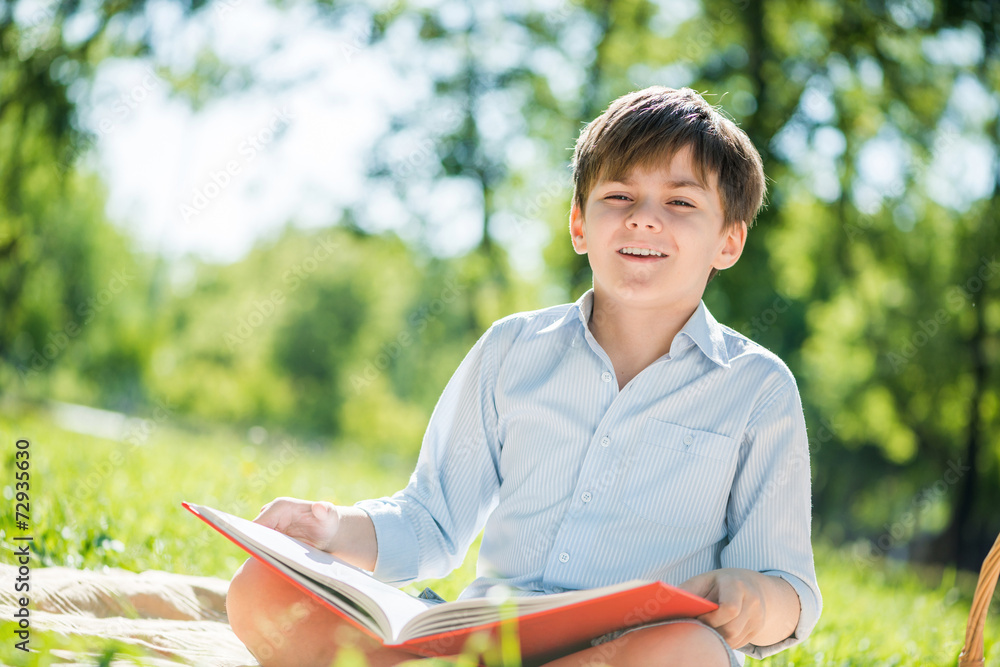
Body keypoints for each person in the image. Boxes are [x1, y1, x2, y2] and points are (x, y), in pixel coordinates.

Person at [226, 86, 822, 667]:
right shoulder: (512, 349)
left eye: (681, 202)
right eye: (618, 196)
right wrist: (329, 527)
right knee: (263, 589)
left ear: (729, 239)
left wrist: (756, 598)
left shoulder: (757, 389)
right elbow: (431, 521)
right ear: (579, 225)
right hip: (485, 639)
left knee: (688, 654)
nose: (644, 220)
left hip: (632, 650)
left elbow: (789, 590)